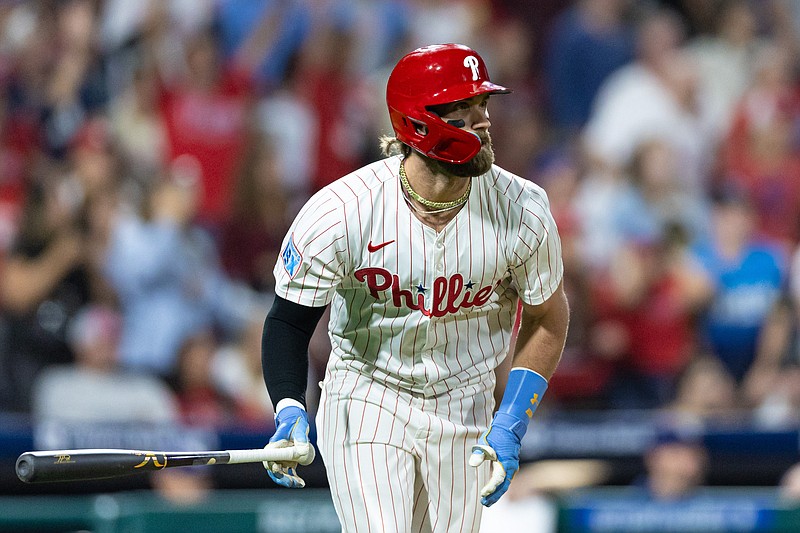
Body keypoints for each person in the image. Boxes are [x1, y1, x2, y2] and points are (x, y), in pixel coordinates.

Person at [260, 43, 569, 532]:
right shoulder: (342, 211)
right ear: (418, 124)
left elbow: (548, 317)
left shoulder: (523, 208)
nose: (484, 123)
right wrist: (290, 406)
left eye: (484, 106)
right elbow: (288, 321)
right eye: (464, 111)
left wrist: (512, 417)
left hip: (465, 403)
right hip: (369, 394)